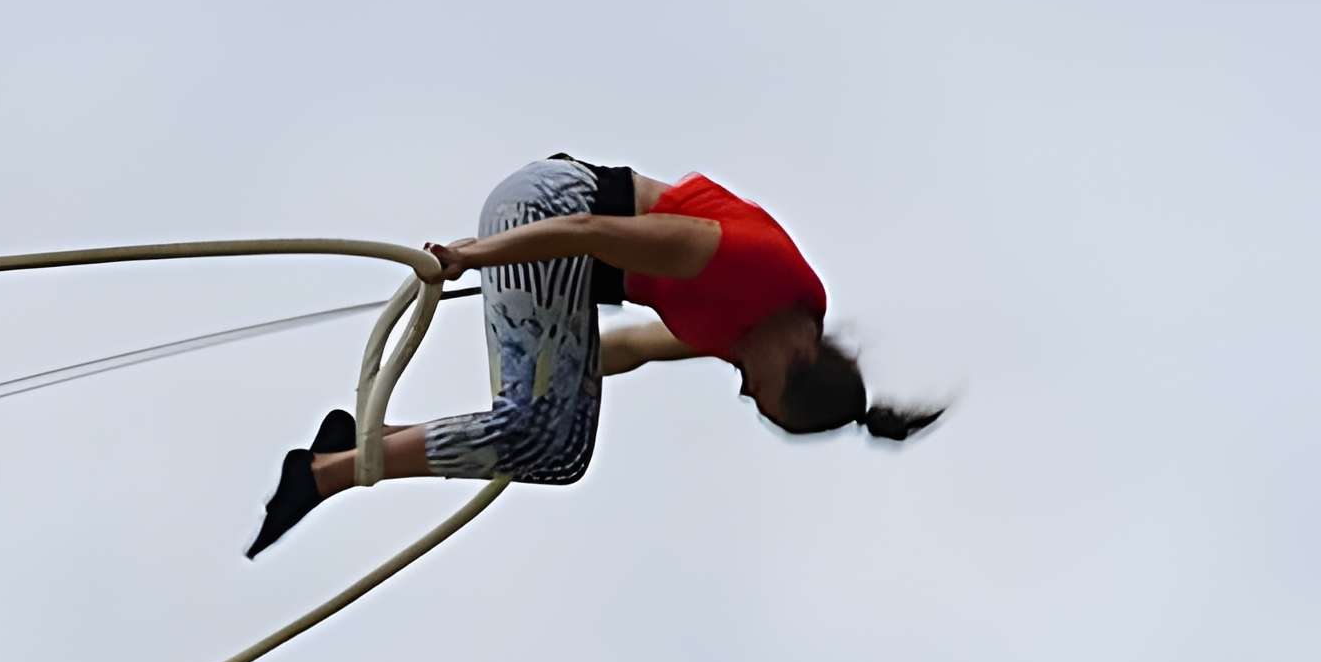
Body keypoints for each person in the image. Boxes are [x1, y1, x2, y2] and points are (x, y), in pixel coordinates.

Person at [247, 154, 944, 556]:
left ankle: (356, 445)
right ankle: (326, 473)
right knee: (542, 432)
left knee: (562, 453)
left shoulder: (745, 337)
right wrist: (470, 258)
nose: (738, 388)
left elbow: (630, 349)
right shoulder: (756, 268)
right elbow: (589, 229)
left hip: (569, 265)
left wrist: (563, 369)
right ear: (797, 357)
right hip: (550, 211)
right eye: (756, 390)